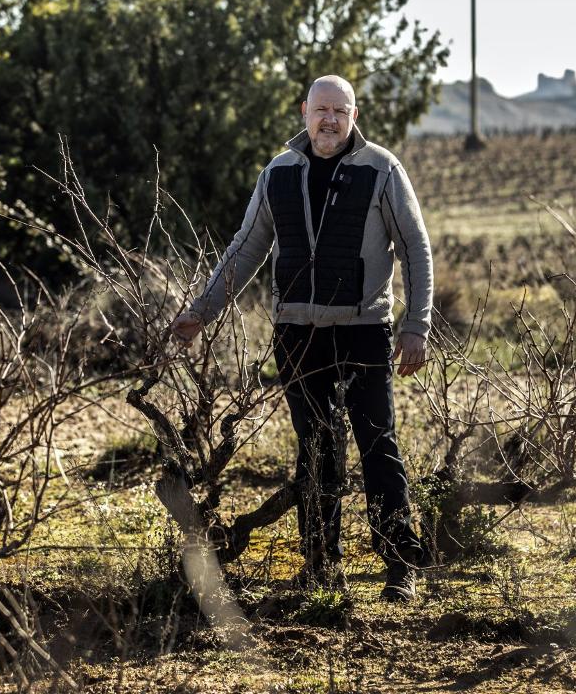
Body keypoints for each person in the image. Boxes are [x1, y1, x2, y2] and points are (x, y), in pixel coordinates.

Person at [171, 74, 433, 602]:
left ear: (354, 116)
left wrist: (415, 327)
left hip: (363, 331)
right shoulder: (279, 173)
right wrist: (200, 311)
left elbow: (415, 249)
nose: (329, 119)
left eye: (340, 110)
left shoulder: (381, 169)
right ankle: (320, 567)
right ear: (304, 112)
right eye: (321, 109)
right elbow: (245, 250)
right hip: (296, 332)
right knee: (315, 452)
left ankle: (400, 565)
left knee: (377, 445)